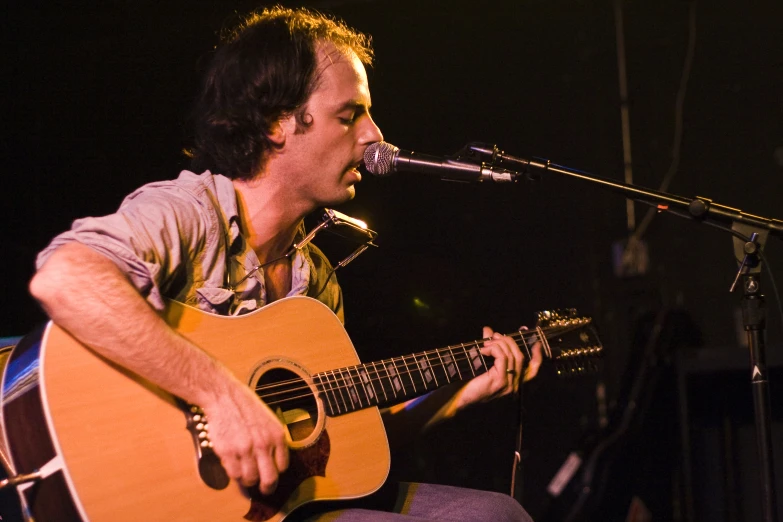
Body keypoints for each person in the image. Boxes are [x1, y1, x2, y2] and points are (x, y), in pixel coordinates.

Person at [29, 6, 540, 521]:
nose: (373, 135)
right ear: (277, 123)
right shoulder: (188, 213)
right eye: (349, 115)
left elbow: (337, 436)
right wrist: (220, 395)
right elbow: (66, 276)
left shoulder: (314, 276)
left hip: (275, 504)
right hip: (159, 496)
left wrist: (453, 398)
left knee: (497, 513)